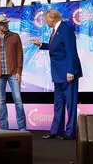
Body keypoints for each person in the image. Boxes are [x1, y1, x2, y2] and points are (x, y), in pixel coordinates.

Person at [33, 9, 82, 140]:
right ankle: (56, 131)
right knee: (58, 103)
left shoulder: (66, 29)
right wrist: (41, 45)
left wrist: (71, 71)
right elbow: (56, 47)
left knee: (71, 104)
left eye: (46, 19)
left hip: (67, 72)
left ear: (53, 18)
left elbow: (71, 50)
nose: (45, 21)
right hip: (58, 73)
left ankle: (70, 132)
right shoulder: (56, 30)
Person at [0, 13, 27, 131]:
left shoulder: (15, 36)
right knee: (1, 101)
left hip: (13, 73)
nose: (6, 25)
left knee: (18, 100)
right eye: (3, 23)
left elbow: (19, 55)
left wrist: (19, 71)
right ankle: (3, 129)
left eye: (6, 23)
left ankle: (22, 128)